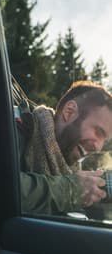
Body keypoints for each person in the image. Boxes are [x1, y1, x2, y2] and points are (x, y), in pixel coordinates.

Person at [19, 81, 112, 214]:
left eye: (105, 140)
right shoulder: (16, 131)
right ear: (69, 112)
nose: (98, 147)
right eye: (98, 132)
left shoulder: (70, 173)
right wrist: (71, 190)